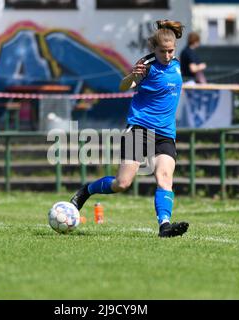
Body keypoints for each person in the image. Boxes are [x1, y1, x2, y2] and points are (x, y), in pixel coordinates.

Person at [70, 19, 189, 238]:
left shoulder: (176, 64)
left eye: (171, 51)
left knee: (164, 178)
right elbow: (124, 86)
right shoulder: (147, 64)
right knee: (122, 183)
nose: (167, 55)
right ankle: (86, 191)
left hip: (165, 133)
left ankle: (164, 225)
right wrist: (133, 76)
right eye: (163, 51)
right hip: (139, 129)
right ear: (154, 48)